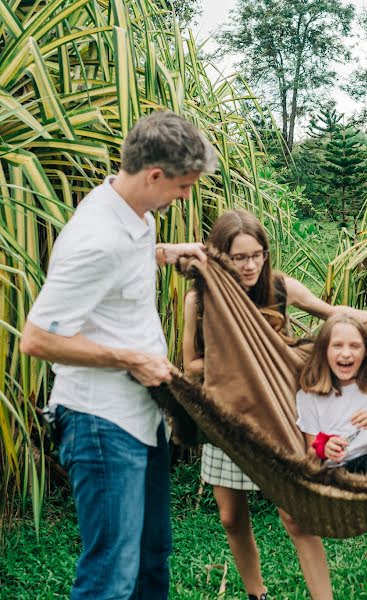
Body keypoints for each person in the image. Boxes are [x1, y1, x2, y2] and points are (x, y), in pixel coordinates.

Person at [19, 111, 218, 599]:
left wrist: (167, 252)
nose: (186, 196)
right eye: (184, 185)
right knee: (112, 574)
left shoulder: (134, 214)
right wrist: (130, 358)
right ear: (154, 175)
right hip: (101, 425)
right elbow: (38, 338)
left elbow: (119, 268)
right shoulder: (96, 240)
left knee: (152, 559)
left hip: (141, 419)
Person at [182, 209, 367, 600]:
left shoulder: (277, 288)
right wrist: (243, 360)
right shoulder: (200, 299)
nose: (250, 264)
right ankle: (257, 594)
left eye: (257, 253)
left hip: (277, 416)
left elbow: (330, 312)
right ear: (220, 257)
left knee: (295, 515)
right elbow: (190, 366)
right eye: (239, 257)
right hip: (226, 416)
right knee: (230, 516)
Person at [296, 314, 367, 474]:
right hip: (334, 472)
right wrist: (324, 449)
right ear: (324, 350)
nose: (346, 353)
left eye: (355, 346)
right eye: (337, 345)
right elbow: (311, 454)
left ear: (365, 351)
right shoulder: (308, 397)